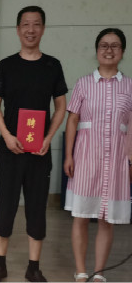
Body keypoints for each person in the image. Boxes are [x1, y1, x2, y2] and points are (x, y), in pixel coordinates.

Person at [0, 6, 67, 282]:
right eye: (25, 24)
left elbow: (61, 106)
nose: (31, 30)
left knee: (36, 208)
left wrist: (48, 138)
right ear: (18, 29)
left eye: (36, 24)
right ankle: (0, 264)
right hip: (10, 150)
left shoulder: (52, 66)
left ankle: (34, 267)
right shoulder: (6, 65)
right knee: (5, 208)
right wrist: (7, 135)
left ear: (43, 28)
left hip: (39, 152)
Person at [63, 28, 132, 282]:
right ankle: (81, 271)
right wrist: (68, 156)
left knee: (106, 219)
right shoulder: (83, 84)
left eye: (115, 45)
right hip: (86, 158)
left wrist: (131, 160)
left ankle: (99, 273)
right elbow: (73, 121)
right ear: (96, 50)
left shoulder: (129, 86)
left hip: (116, 161)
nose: (109, 50)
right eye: (104, 45)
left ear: (122, 51)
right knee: (81, 216)